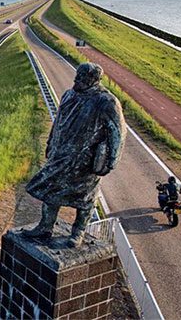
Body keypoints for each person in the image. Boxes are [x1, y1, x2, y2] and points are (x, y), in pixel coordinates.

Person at [24, 63, 126, 247]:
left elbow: (117, 132)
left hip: (85, 162)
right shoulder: (69, 95)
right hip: (60, 155)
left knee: (85, 198)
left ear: (93, 80)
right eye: (77, 76)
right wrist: (50, 143)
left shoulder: (106, 101)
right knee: (51, 191)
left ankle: (77, 232)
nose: (76, 80)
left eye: (82, 78)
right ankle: (45, 226)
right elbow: (59, 121)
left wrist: (111, 161)